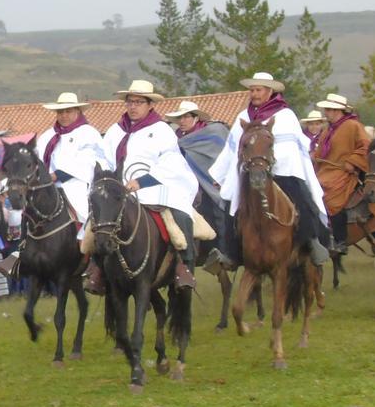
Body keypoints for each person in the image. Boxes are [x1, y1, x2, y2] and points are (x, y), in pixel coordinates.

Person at [209, 71, 331, 269]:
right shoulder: (243, 116)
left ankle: (312, 241)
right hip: (249, 172)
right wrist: (222, 175)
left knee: (302, 198)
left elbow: (291, 148)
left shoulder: (285, 115)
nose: (254, 94)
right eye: (252, 90)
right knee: (229, 203)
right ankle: (230, 252)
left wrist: (269, 163)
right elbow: (232, 149)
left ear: (269, 91)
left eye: (258, 90)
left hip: (283, 171)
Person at [101, 80, 199, 288]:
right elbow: (105, 160)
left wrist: (141, 182)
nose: (133, 106)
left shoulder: (162, 130)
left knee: (180, 218)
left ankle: (184, 265)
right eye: (130, 102)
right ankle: (97, 271)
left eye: (139, 102)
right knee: (97, 224)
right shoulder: (115, 131)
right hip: (120, 192)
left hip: (155, 188)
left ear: (150, 104)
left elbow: (170, 164)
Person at [166, 100, 230, 274]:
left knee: (219, 210)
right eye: (180, 117)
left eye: (186, 116)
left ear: (195, 117)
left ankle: (225, 252)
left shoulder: (212, 133)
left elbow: (219, 156)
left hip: (209, 182)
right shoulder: (174, 138)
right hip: (182, 185)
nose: (182, 121)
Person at [34, 93, 106, 237]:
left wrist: (57, 175)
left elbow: (87, 161)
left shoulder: (88, 133)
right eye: (60, 112)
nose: (64, 115)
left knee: (90, 222)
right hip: (48, 189)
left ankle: (88, 248)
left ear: (77, 111)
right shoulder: (47, 136)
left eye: (68, 111)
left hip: (77, 187)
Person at [311, 93, 370, 254]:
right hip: (324, 171)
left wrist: (353, 161)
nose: (326, 112)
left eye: (329, 110)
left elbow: (366, 146)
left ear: (338, 110)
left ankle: (340, 240)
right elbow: (320, 152)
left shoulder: (353, 126)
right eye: (326, 109)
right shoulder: (328, 129)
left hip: (343, 172)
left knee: (331, 198)